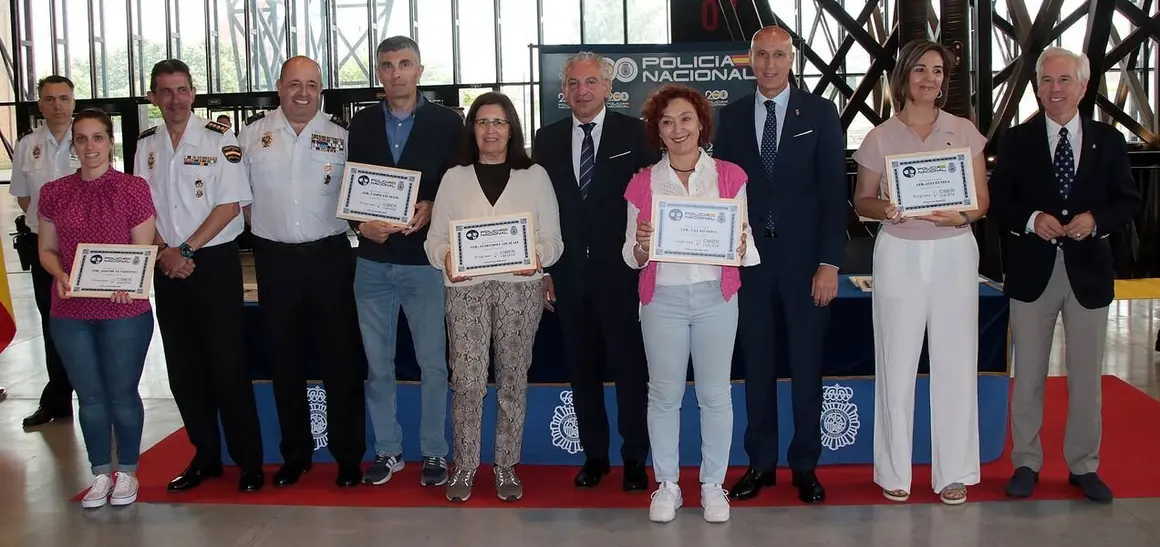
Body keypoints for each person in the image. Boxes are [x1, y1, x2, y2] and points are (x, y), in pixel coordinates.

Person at [989, 46, 1140, 503]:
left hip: (1089, 274)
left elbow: (1127, 200)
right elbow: (999, 200)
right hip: (1032, 272)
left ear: (1083, 85)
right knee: (1029, 375)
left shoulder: (1109, 141)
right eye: (1047, 81)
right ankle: (1026, 463)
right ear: (1036, 85)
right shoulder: (1016, 141)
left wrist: (1096, 220)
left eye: (1064, 81)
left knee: (1086, 378)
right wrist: (1032, 218)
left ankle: (1084, 465)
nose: (1055, 90)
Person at [851, 39, 990, 505]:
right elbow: (861, 201)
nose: (929, 79)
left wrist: (964, 216)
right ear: (904, 76)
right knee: (896, 362)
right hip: (899, 255)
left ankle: (953, 471)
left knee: (955, 362)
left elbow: (981, 201)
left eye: (937, 71)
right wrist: (885, 208)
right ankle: (894, 471)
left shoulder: (963, 130)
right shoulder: (879, 136)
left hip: (953, 253)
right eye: (920, 70)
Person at [713, 25, 846, 504]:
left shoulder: (821, 113)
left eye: (779, 55)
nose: (769, 64)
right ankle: (761, 464)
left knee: (808, 367)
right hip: (749, 265)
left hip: (807, 266)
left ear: (792, 59)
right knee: (757, 367)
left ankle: (806, 466)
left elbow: (835, 195)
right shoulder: (727, 118)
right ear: (750, 60)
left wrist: (831, 262)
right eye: (761, 55)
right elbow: (721, 193)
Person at [623, 85, 757, 523]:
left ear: (701, 124)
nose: (677, 129)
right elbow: (631, 256)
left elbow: (746, 247)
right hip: (662, 299)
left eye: (685, 119)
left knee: (716, 395)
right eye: (667, 122)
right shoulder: (643, 183)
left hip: (716, 297)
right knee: (663, 395)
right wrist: (643, 245)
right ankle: (667, 485)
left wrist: (736, 244)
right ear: (657, 132)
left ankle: (713, 485)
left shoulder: (730, 176)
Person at [424, 92, 563, 503]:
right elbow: (434, 240)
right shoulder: (454, 177)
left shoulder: (534, 176)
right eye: (483, 122)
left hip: (520, 290)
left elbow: (553, 239)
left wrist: (537, 258)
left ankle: (505, 465)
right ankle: (465, 465)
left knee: (512, 381)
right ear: (473, 129)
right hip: (465, 291)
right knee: (466, 382)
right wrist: (446, 258)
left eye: (499, 122)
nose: (491, 130)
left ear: (511, 128)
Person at [134, 59, 265, 493]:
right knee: (184, 369)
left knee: (228, 365)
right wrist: (164, 253)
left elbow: (230, 205)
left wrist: (185, 250)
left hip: (211, 262)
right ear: (153, 97)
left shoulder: (217, 139)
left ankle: (248, 462)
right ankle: (205, 456)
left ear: (194, 93)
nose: (174, 99)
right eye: (165, 92)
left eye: (182, 90)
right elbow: (141, 210)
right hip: (166, 264)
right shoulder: (146, 145)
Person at [530, 51, 655, 491]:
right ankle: (595, 457)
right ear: (564, 91)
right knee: (581, 371)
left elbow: (651, 197)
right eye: (573, 84)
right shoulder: (545, 140)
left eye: (591, 82)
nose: (582, 91)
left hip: (620, 275)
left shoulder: (638, 134)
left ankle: (635, 458)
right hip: (566, 276)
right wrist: (543, 270)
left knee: (629, 370)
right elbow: (538, 212)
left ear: (608, 87)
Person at [240, 56, 366, 488]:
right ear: (279, 87)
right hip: (275, 261)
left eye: (311, 84)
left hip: (331, 258)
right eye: (294, 84)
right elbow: (241, 198)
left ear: (321, 90)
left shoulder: (341, 137)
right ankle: (295, 456)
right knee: (284, 361)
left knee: (341, 361)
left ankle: (349, 457)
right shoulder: (252, 136)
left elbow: (361, 195)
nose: (303, 93)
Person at [349, 36, 464, 487]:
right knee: (378, 365)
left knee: (434, 363)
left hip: (424, 263)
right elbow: (351, 187)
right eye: (387, 65)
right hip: (373, 261)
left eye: (404, 64)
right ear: (379, 73)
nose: (396, 72)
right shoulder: (360, 123)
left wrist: (433, 205)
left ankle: (434, 452)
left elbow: (457, 184)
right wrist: (361, 224)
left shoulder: (447, 122)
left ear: (419, 70)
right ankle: (387, 450)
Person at [37, 108, 156, 508]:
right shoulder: (54, 192)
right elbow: (47, 250)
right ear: (74, 144)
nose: (90, 146)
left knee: (121, 393)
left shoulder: (133, 188)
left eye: (98, 137)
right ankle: (101, 472)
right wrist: (59, 274)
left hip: (123, 311)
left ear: (110, 141)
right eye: (82, 138)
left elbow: (144, 249)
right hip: (70, 310)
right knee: (88, 397)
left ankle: (129, 473)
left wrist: (130, 283)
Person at [10, 75, 77, 429]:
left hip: (84, 248)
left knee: (93, 321)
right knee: (53, 322)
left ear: (73, 101)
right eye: (49, 99)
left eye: (63, 98)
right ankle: (57, 399)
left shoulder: (86, 139)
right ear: (40, 104)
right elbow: (24, 197)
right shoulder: (28, 145)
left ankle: (101, 396)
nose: (57, 105)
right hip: (45, 247)